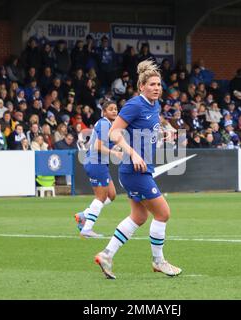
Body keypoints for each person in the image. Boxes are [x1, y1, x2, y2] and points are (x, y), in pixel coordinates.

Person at [94, 60, 182, 279]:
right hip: (133, 170)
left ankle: (106, 254)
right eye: (152, 84)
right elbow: (114, 133)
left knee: (139, 216)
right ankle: (158, 261)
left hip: (139, 170)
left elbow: (147, 128)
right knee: (163, 213)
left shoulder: (155, 106)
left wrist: (162, 134)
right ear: (141, 86)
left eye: (159, 84)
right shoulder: (135, 104)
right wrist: (132, 152)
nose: (156, 88)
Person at [75, 102, 122, 238]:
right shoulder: (104, 124)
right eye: (111, 109)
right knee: (101, 197)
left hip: (100, 163)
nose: (114, 111)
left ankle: (84, 214)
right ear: (104, 112)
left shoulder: (107, 125)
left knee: (111, 195)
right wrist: (115, 153)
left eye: (115, 109)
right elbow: (97, 146)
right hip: (96, 163)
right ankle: (87, 229)